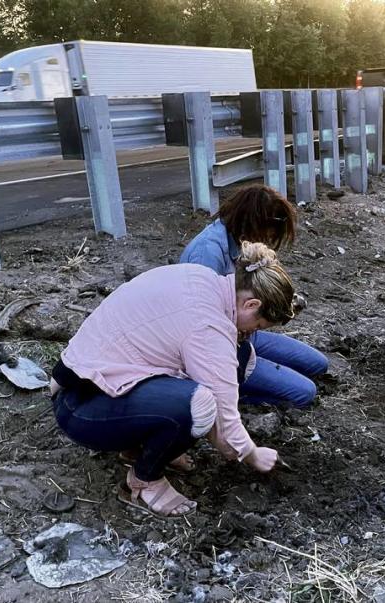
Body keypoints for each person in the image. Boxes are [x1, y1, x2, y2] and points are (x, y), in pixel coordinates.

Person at [49, 242, 295, 518]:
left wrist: (59, 377)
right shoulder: (208, 326)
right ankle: (144, 479)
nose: (251, 332)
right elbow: (225, 416)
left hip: (79, 382)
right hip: (83, 412)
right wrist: (252, 454)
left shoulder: (199, 278)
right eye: (258, 326)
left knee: (237, 355)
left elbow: (114, 324)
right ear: (252, 304)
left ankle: (139, 448)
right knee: (197, 405)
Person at [180, 184, 328, 409]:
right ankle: (231, 396)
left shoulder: (240, 243)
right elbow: (200, 328)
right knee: (303, 393)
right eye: (268, 235)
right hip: (220, 345)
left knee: (316, 364)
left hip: (244, 331)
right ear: (252, 225)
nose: (268, 242)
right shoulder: (207, 255)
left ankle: (255, 373)